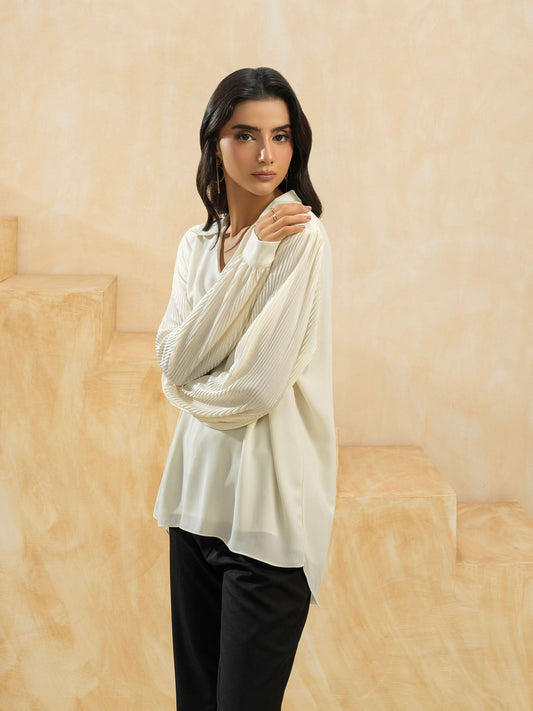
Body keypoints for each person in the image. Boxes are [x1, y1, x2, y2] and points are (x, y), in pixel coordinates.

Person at [154, 67, 336, 711]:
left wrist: (184, 389)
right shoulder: (196, 245)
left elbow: (254, 391)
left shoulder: (300, 239)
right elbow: (174, 358)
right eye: (246, 134)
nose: (266, 154)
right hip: (192, 506)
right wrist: (187, 375)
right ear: (215, 143)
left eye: (280, 136)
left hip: (266, 523)